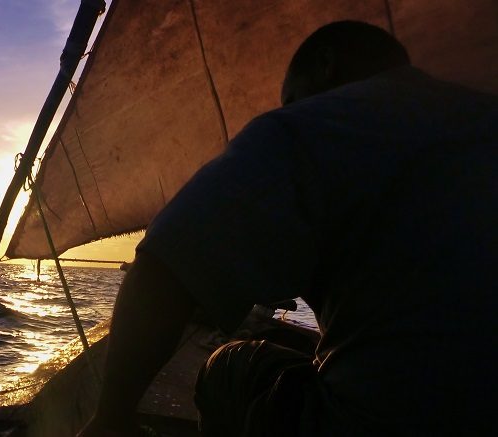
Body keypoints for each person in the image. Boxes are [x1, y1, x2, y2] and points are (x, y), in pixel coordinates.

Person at [79, 21, 497, 436]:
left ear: (326, 65)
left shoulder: (309, 126)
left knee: (229, 367)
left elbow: (163, 268)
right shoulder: (481, 114)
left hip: (379, 423)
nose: (290, 108)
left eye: (291, 97)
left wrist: (111, 419)